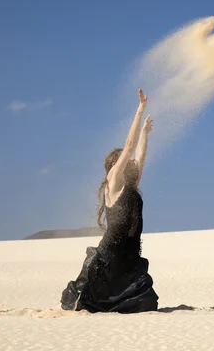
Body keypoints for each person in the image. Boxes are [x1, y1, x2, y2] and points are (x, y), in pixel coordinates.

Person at [60, 88, 159, 313]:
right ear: (116, 165)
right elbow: (130, 146)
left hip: (129, 256)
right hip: (109, 256)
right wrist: (140, 111)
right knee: (89, 303)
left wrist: (145, 133)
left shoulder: (131, 185)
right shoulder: (114, 181)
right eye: (126, 159)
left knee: (145, 303)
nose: (131, 160)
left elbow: (140, 156)